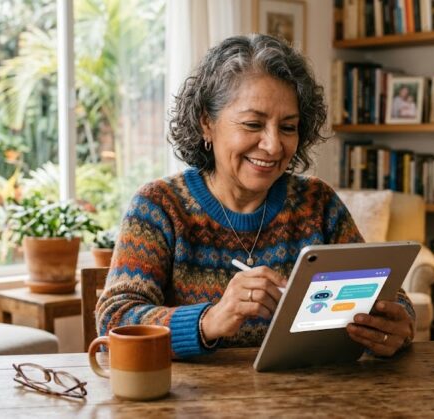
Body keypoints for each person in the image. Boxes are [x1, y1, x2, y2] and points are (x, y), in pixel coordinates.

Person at [95, 34, 415, 359]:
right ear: (207, 122)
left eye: (288, 127)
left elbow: (390, 296)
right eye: (253, 124)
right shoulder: (159, 206)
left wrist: (396, 326)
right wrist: (210, 320)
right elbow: (115, 320)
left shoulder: (317, 203)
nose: (274, 145)